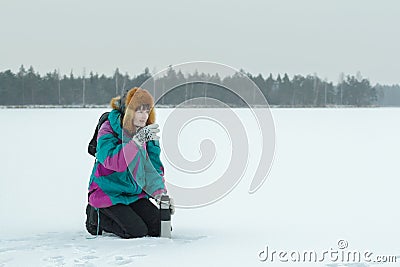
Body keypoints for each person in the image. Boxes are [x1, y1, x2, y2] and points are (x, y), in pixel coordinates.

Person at [85, 87, 168, 238]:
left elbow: (153, 167)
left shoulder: (146, 132)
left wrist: (160, 193)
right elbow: (113, 162)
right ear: (129, 111)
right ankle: (96, 217)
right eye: (139, 111)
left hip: (132, 194)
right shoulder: (108, 129)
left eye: (146, 111)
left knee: (160, 228)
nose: (144, 116)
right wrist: (135, 143)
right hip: (108, 193)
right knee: (136, 231)